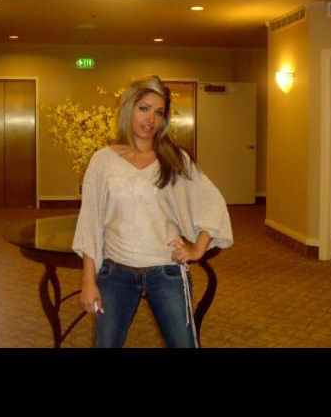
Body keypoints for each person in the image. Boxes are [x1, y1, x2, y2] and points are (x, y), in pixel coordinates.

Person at [72, 75, 233, 348]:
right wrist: (89, 281)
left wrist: (198, 248)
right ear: (128, 109)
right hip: (116, 272)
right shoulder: (102, 161)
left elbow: (211, 202)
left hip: (166, 271)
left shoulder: (174, 159)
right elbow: (90, 223)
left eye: (159, 112)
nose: (151, 120)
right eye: (144, 108)